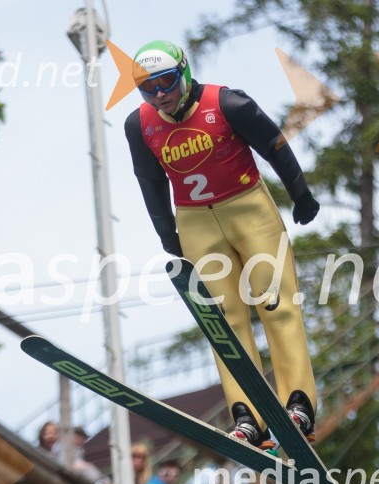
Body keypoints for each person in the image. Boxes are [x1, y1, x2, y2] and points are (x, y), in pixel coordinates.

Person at [124, 39, 318, 449]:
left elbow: (274, 145)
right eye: (148, 88)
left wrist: (300, 193)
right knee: (223, 320)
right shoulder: (139, 124)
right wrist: (166, 233)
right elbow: (150, 181)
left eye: (167, 82)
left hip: (249, 209)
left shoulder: (228, 104)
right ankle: (247, 414)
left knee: (276, 304)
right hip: (195, 220)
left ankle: (297, 403)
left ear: (184, 72)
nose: (160, 95)